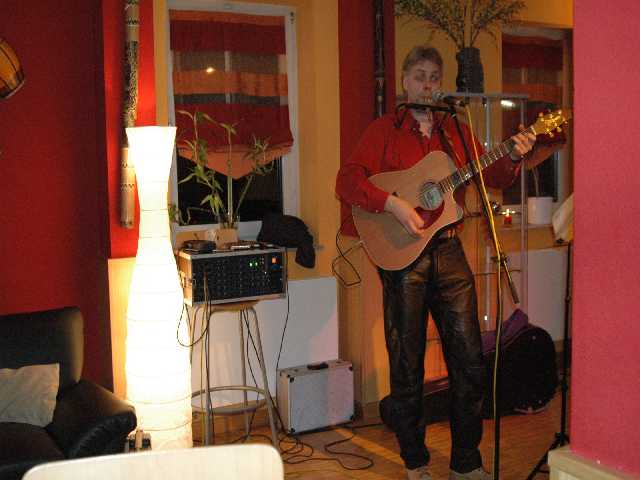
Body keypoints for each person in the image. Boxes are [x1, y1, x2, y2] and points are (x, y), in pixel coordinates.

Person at [335, 45, 536, 480]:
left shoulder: (456, 131)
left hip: (449, 250)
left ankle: (466, 462)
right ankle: (415, 461)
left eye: (433, 78)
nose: (427, 85)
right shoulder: (384, 130)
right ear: (405, 82)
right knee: (406, 363)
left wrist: (514, 154)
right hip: (402, 260)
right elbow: (346, 181)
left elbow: (492, 175)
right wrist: (392, 204)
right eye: (420, 76)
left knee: (468, 359)